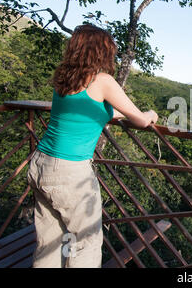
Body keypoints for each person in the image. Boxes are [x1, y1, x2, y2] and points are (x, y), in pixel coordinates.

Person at [27, 24, 158, 268]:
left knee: (50, 242)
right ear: (101, 52)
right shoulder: (103, 81)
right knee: (84, 243)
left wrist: (113, 113)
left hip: (41, 163)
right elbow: (139, 119)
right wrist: (150, 113)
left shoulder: (63, 78)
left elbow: (89, 109)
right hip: (70, 173)